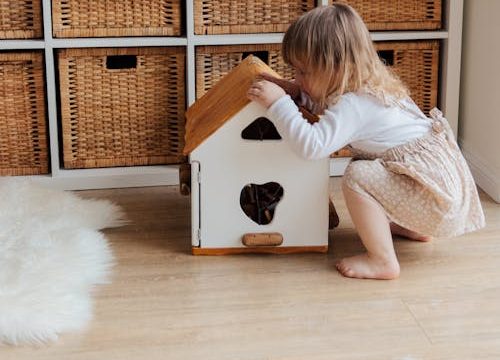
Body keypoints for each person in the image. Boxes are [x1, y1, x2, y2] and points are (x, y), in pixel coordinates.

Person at [246, 4, 485, 280]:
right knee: (369, 167)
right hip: (439, 194)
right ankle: (414, 227)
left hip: (436, 204)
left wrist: (279, 105)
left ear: (335, 67)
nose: (296, 78)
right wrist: (298, 94)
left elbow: (311, 146)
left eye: (303, 72)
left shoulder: (354, 105)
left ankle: (382, 260)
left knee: (358, 174)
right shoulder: (368, 85)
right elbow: (329, 108)